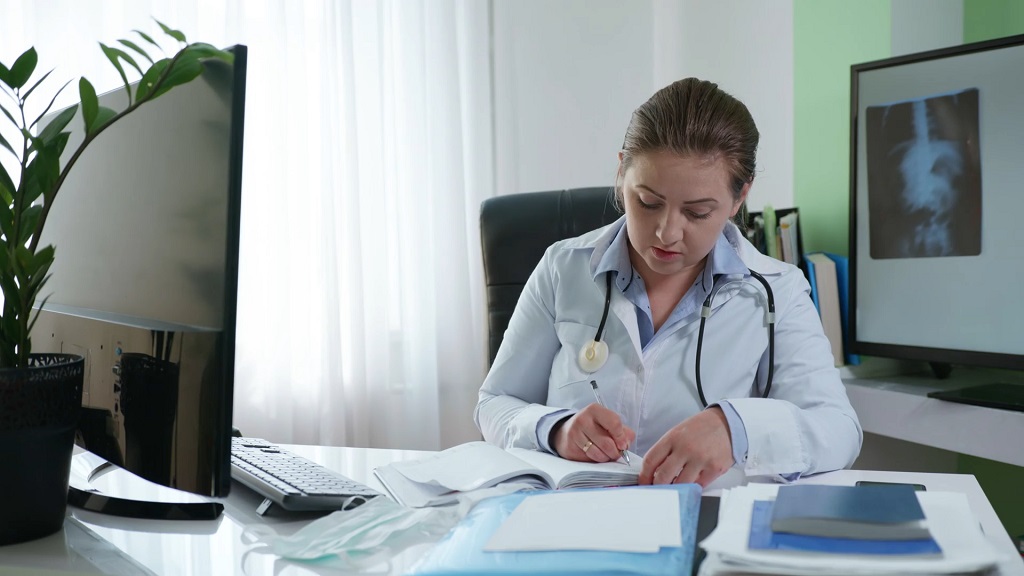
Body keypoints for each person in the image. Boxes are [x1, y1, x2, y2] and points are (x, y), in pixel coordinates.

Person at [474, 78, 862, 487]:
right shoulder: (563, 267)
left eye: (696, 212)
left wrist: (736, 429)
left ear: (738, 198)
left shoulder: (777, 290)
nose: (666, 233)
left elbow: (839, 430)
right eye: (648, 202)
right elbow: (494, 404)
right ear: (622, 173)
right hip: (574, 517)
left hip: (707, 522)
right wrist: (555, 429)